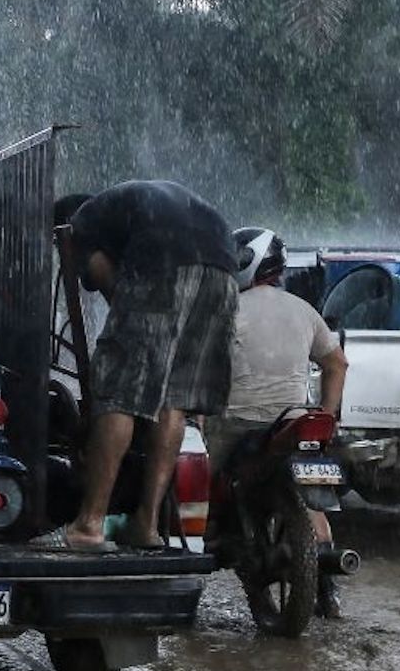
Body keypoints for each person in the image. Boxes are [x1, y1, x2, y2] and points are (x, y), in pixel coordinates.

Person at [48, 180, 239, 550]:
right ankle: (147, 526)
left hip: (164, 264)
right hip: (223, 269)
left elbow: (112, 288)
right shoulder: (130, 207)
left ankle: (89, 525)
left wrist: (124, 351)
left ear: (62, 233)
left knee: (120, 391)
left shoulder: (81, 224)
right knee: (173, 399)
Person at [206, 226, 350, 617]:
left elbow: (200, 370)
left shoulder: (226, 310)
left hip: (236, 424)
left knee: (194, 488)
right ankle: (329, 593)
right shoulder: (304, 310)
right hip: (295, 422)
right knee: (312, 496)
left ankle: (197, 550)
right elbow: (337, 364)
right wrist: (328, 415)